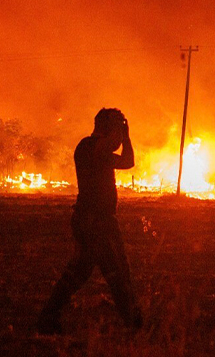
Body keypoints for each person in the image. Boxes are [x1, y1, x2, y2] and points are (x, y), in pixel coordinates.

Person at [37, 108, 142, 334]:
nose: (119, 135)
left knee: (79, 271)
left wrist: (125, 137)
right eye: (115, 128)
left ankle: (48, 317)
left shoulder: (95, 149)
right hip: (96, 222)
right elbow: (120, 157)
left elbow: (128, 162)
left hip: (93, 220)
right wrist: (121, 136)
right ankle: (133, 323)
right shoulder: (89, 146)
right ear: (105, 128)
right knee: (116, 271)